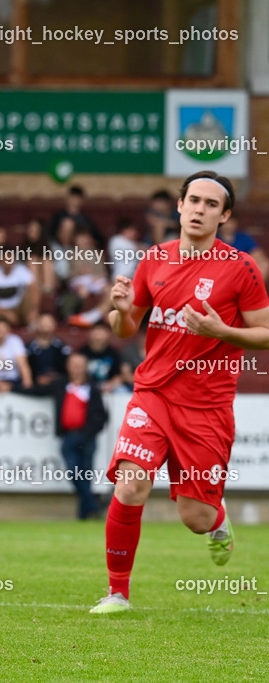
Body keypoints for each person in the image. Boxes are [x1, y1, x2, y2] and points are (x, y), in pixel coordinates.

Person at [90, 171, 269, 614]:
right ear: (179, 205)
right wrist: (120, 311)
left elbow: (265, 332)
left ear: (224, 216)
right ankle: (117, 593)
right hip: (152, 392)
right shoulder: (154, 258)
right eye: (194, 200)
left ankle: (217, 518)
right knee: (131, 483)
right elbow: (126, 327)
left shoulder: (241, 268)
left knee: (195, 518)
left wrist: (221, 331)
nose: (199, 209)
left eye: (211, 204)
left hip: (206, 406)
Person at [51, 353, 108, 520]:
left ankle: (84, 513)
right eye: (73, 364)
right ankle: (94, 505)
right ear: (68, 367)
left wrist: (89, 431)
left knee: (86, 473)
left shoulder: (92, 388)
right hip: (69, 435)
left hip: (87, 437)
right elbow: (36, 390)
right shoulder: (61, 385)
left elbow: (102, 415)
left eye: (80, 365)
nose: (76, 368)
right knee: (73, 472)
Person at [0, 251, 39, 328]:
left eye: (10, 259)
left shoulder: (22, 270)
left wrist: (34, 309)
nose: (8, 262)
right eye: (6, 259)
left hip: (19, 307)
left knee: (29, 295)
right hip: (0, 310)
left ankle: (32, 326)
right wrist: (6, 313)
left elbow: (34, 289)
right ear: (0, 260)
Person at [0, 317, 33, 393]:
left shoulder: (15, 341)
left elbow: (23, 365)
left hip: (14, 380)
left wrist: (27, 385)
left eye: (3, 328)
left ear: (8, 330)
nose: (0, 331)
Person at [26, 312, 70, 388]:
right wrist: (37, 378)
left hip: (58, 385)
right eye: (43, 322)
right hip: (35, 386)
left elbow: (67, 369)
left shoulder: (62, 347)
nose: (46, 325)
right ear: (37, 325)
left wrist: (56, 378)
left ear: (54, 325)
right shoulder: (28, 348)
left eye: (49, 322)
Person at [78, 322, 122, 393]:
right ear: (89, 333)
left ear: (108, 334)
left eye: (102, 331)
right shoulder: (82, 352)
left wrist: (111, 385)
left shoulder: (113, 353)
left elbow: (118, 375)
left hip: (108, 388)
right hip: (85, 387)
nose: (98, 335)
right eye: (96, 331)